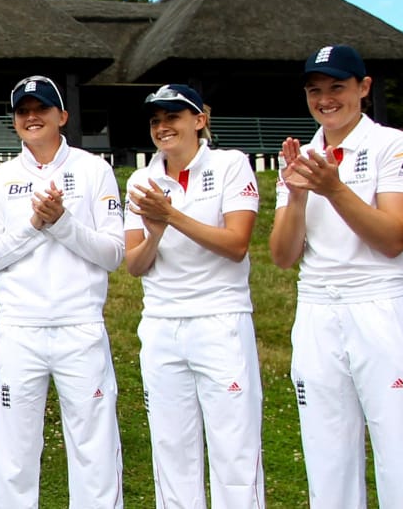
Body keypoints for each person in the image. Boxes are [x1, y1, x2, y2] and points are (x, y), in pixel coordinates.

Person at [268, 45, 403, 509]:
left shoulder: (392, 142)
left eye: (337, 87)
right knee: (327, 450)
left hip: (379, 303)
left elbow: (393, 237)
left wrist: (334, 189)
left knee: (402, 446)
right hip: (319, 307)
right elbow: (283, 256)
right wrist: (299, 197)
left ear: (363, 88)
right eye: (315, 90)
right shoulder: (302, 155)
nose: (326, 99)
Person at [0, 74, 126, 509]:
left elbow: (113, 253)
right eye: (23, 111)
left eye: (41, 108)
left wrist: (63, 224)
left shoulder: (94, 170)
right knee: (13, 456)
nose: (32, 117)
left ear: (62, 115)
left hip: (80, 327)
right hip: (19, 329)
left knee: (94, 451)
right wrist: (36, 225)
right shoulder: (2, 179)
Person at [120, 84, 264, 508]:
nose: (163, 127)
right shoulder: (141, 179)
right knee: (171, 448)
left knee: (234, 448)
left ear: (199, 120)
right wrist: (157, 233)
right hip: (162, 323)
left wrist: (171, 217)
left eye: (173, 117)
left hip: (220, 319)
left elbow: (237, 244)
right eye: (156, 120)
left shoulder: (231, 165)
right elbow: (134, 263)